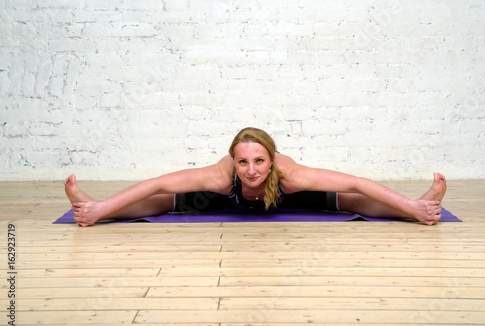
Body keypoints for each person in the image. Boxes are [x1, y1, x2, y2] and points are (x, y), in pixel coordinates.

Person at [65, 127, 447, 227]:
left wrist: (411, 205)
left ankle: (419, 207)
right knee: (164, 203)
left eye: (259, 161)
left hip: (286, 199)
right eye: (243, 162)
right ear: (233, 160)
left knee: (349, 202)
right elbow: (159, 184)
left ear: (271, 160)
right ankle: (90, 204)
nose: (251, 171)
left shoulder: (289, 174)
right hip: (219, 202)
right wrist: (101, 209)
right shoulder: (220, 177)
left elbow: (356, 183)